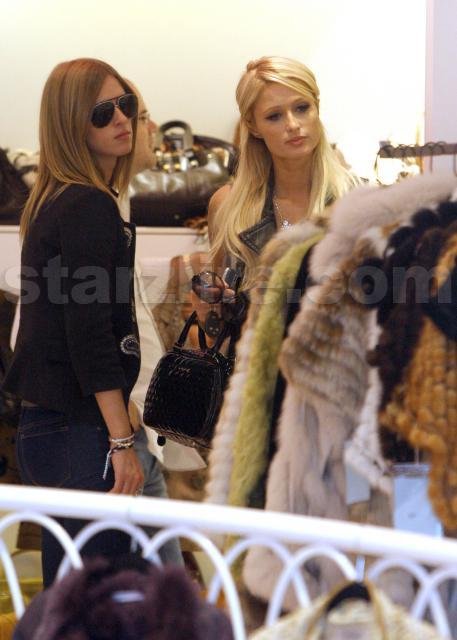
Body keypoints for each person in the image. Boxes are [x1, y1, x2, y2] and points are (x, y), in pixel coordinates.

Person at [3, 58, 144, 587]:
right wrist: (120, 441)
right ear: (70, 125)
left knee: (71, 597)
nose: (121, 119)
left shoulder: (56, 200)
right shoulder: (87, 205)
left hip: (51, 428)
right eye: (102, 112)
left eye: (125, 104)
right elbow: (89, 334)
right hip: (78, 431)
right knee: (96, 601)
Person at [192, 55, 358, 325]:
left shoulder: (358, 202)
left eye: (302, 108)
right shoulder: (228, 206)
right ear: (253, 126)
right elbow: (218, 321)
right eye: (274, 116)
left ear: (317, 108)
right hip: (253, 350)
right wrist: (209, 312)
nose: (293, 124)